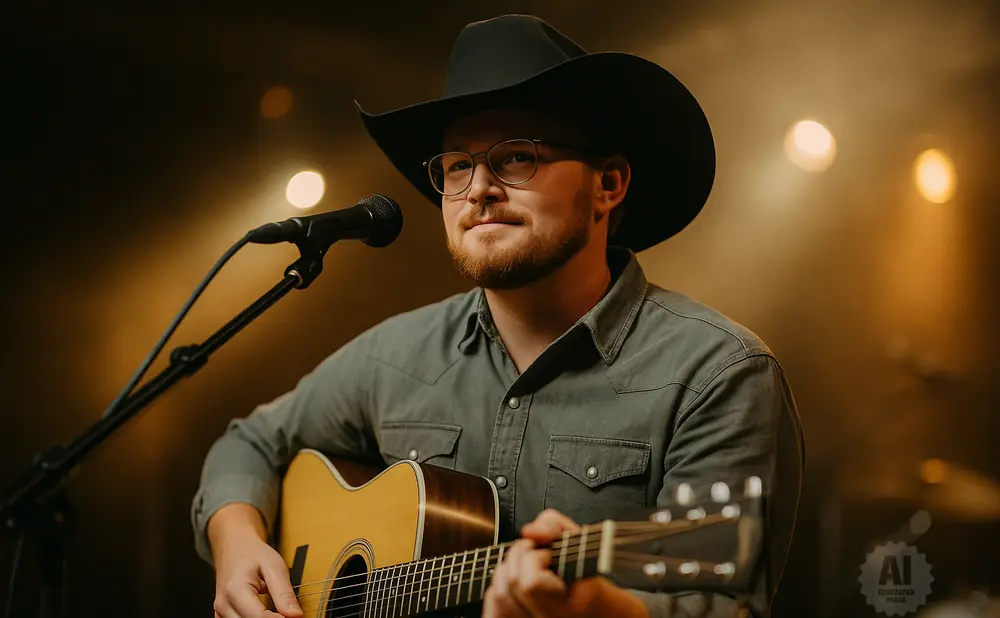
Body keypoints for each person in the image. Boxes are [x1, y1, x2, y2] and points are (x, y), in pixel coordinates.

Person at [192, 13, 805, 618]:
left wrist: (590, 608)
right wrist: (237, 541)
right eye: (457, 165)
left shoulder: (718, 374)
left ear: (608, 184)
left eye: (516, 158)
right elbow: (248, 445)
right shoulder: (394, 356)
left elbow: (717, 604)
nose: (479, 187)